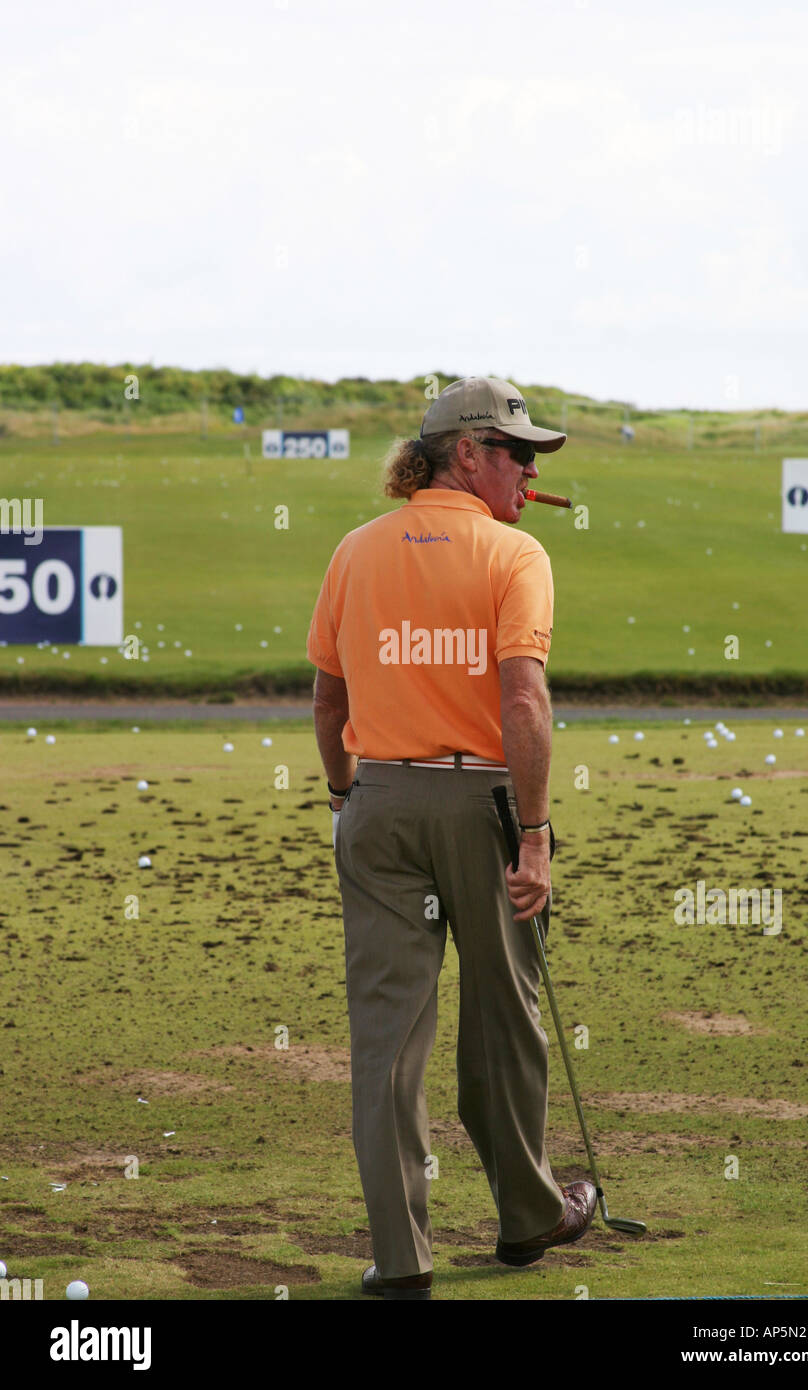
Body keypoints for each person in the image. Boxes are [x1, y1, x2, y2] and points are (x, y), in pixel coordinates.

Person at [306, 376, 596, 1302]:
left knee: (387, 1040)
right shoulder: (517, 553)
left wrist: (346, 795)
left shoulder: (356, 549)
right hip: (483, 808)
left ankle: (401, 1263)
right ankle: (528, 1217)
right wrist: (539, 836)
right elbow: (522, 699)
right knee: (504, 1019)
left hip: (380, 805)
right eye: (517, 452)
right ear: (467, 452)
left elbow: (329, 698)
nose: (528, 471)